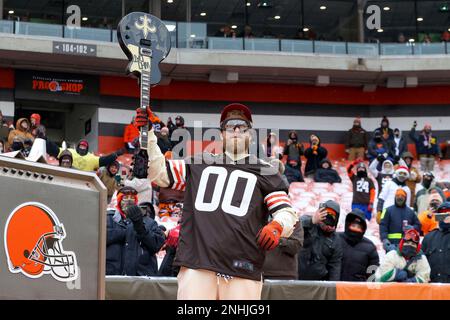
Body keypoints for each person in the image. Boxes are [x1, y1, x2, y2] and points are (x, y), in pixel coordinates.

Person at [135, 102, 298, 300]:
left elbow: (285, 210)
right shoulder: (198, 163)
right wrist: (150, 134)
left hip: (243, 267)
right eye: (230, 126)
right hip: (198, 264)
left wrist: (277, 225)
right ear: (221, 134)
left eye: (242, 126)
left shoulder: (266, 170)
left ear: (250, 134)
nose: (236, 130)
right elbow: (160, 174)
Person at [106, 186, 165, 276]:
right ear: (118, 201)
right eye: (125, 198)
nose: (129, 200)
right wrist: (126, 232)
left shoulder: (149, 222)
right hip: (111, 275)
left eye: (132, 198)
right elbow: (97, 238)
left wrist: (140, 227)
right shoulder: (107, 219)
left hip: (141, 278)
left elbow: (157, 244)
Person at [298, 200, 342, 281]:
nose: (327, 226)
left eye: (330, 224)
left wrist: (333, 288)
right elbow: (294, 228)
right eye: (325, 223)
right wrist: (312, 221)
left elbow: (335, 267)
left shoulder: (336, 240)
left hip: (318, 283)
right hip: (297, 277)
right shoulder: (308, 222)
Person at [338, 209, 379, 281]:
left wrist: (369, 289)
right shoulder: (336, 239)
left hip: (358, 290)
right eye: (353, 225)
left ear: (363, 229)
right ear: (348, 225)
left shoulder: (370, 246)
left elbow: (373, 273)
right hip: (335, 288)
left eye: (359, 227)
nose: (355, 229)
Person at [46, 138, 124, 172]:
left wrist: (116, 154)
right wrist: (45, 139)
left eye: (84, 147)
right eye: (81, 146)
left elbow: (105, 160)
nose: (82, 148)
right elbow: (54, 149)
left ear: (87, 148)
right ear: (77, 146)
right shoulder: (69, 152)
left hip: (84, 182)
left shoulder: (92, 158)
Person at [422, 202, 450, 283]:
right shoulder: (428, 238)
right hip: (432, 288)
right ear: (438, 216)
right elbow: (421, 264)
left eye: (449, 213)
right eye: (443, 213)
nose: (446, 215)